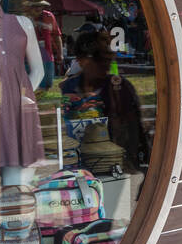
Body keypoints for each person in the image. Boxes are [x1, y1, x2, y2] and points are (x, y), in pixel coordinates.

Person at [61, 30, 150, 169]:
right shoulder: (67, 88)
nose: (106, 62)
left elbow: (135, 133)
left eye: (109, 56)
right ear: (81, 60)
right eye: (98, 57)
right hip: (76, 162)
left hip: (113, 161)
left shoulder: (121, 88)